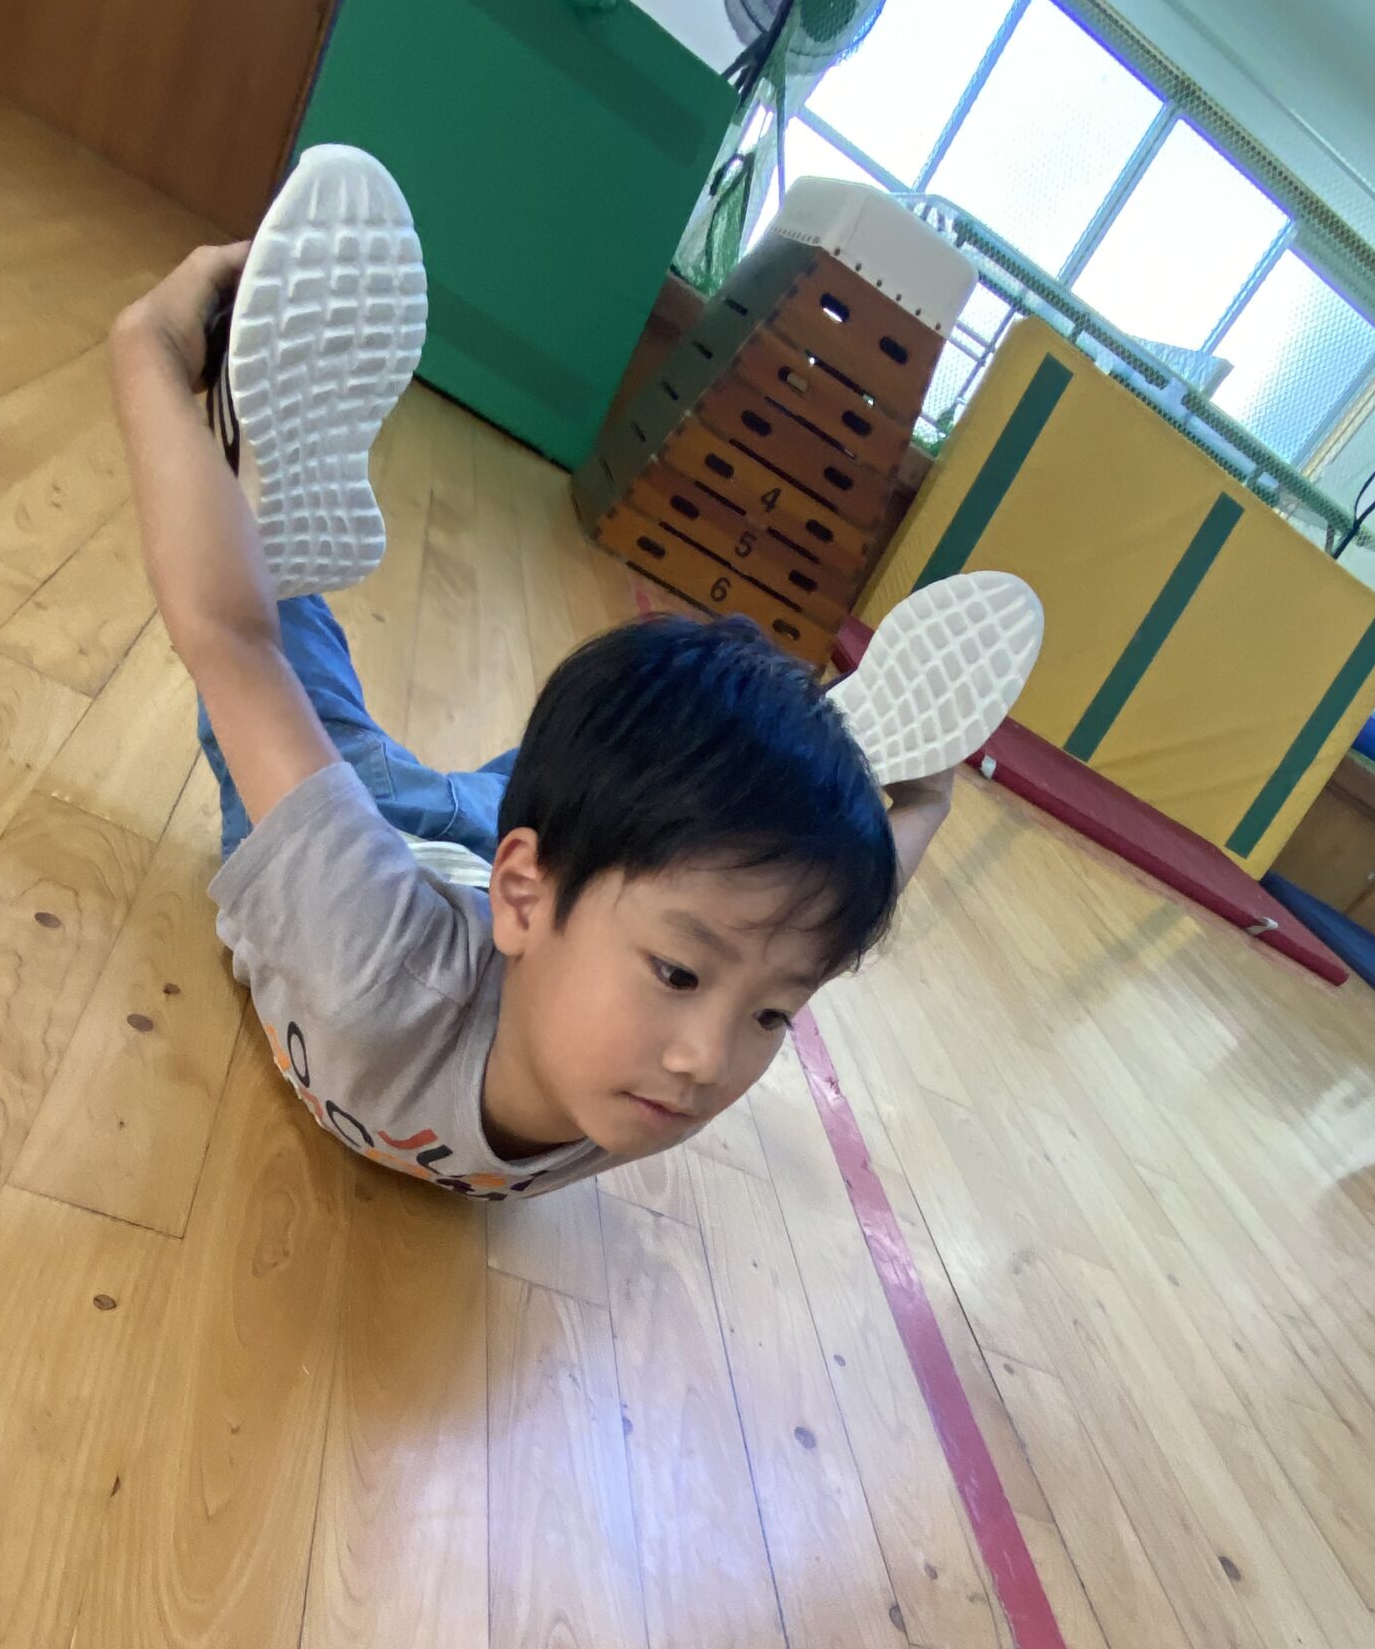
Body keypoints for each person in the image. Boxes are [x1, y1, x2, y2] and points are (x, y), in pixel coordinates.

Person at [108, 144, 1040, 1197]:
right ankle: (249, 486)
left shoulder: (654, 1048)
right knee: (275, 646)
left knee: (692, 840)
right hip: (377, 867)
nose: (708, 1060)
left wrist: (922, 806)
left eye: (770, 1016)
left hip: (524, 863)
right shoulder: (366, 967)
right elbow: (226, 640)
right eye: (679, 974)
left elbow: (804, 942)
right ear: (524, 895)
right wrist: (148, 351)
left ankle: (801, 775)